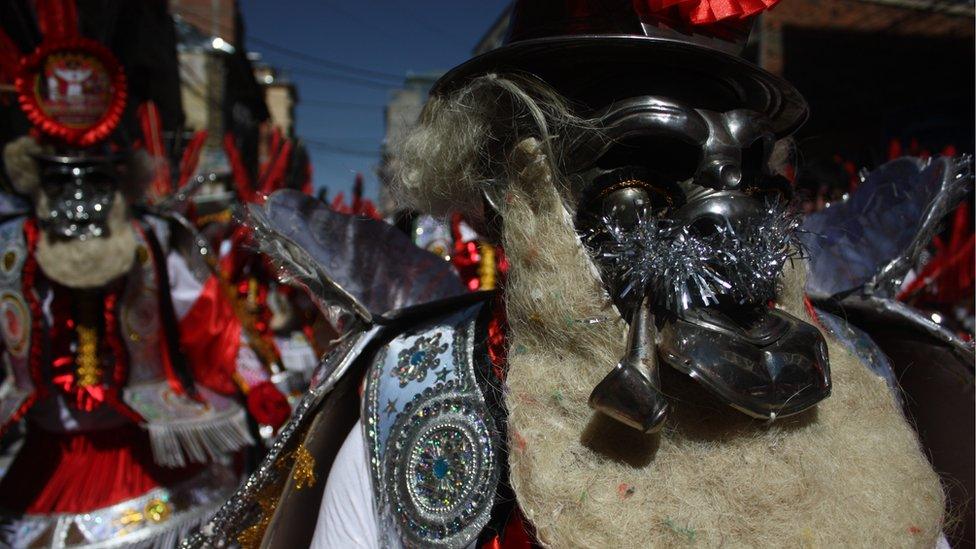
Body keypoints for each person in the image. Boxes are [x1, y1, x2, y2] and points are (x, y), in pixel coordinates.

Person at [187, 1, 946, 547]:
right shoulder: (427, 395)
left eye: (744, 176)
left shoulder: (855, 375)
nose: (722, 218)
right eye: (647, 178)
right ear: (506, 190)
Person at [0, 4, 288, 545]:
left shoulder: (151, 243)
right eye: (61, 183)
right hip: (42, 462)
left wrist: (257, 385)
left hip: (146, 455)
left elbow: (210, 319)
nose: (80, 204)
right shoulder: (11, 248)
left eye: (96, 182)